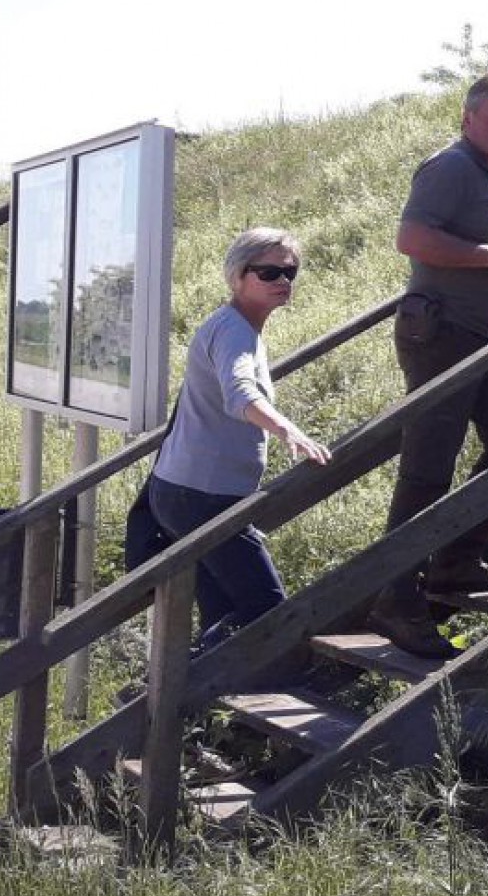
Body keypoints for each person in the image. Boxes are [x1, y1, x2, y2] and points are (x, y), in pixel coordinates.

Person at [367, 70, 488, 659]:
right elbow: (412, 238)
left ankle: (455, 563)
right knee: (426, 472)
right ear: (469, 119)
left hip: (485, 343)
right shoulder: (449, 168)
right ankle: (396, 598)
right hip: (442, 336)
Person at [120, 228, 333, 652]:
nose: (283, 281)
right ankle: (184, 685)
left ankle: (188, 696)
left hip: (186, 490)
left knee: (221, 613)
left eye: (290, 271)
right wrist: (287, 429)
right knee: (265, 607)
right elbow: (240, 393)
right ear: (238, 276)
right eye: (269, 272)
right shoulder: (234, 330)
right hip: (203, 496)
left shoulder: (236, 327)